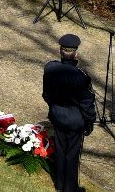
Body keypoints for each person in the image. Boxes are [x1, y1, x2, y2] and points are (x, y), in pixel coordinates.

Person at [43, 34, 96, 192]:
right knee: (72, 154)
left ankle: (59, 184)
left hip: (57, 116)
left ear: (60, 51)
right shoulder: (81, 77)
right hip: (75, 120)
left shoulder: (50, 69)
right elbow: (87, 104)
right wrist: (89, 122)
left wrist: (55, 108)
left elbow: (46, 95)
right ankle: (70, 188)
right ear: (76, 54)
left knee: (60, 150)